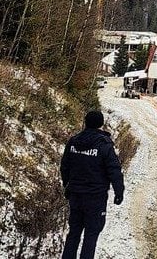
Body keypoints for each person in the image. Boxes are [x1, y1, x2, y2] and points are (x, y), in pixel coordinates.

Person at [60, 110, 125, 259]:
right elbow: (114, 170)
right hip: (96, 197)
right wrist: (119, 191)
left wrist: (67, 185)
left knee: (74, 232)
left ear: (86, 122)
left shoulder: (73, 141)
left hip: (75, 195)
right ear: (101, 124)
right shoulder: (104, 145)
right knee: (91, 235)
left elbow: (64, 166)